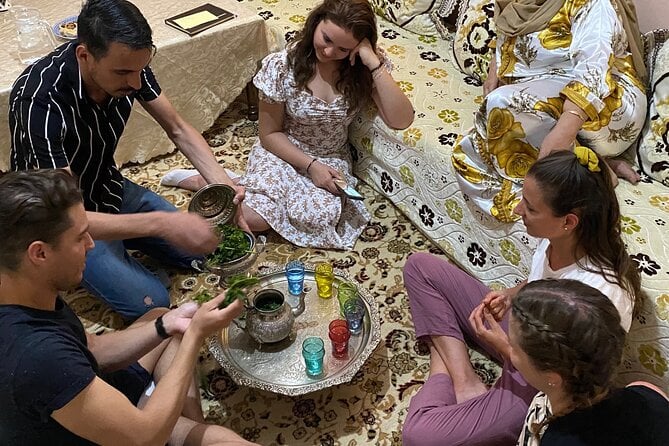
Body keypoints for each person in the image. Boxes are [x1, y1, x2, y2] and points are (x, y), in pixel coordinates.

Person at [8, 0, 245, 320]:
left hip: (104, 184)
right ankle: (121, 254)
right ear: (84, 55)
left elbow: (178, 129)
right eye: (123, 72)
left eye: (139, 70)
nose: (135, 83)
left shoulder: (129, 66)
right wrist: (162, 222)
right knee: (152, 301)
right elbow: (62, 214)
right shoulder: (40, 99)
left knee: (207, 247)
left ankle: (126, 245)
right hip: (57, 221)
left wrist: (225, 187)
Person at [401, 148, 642, 445]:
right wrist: (510, 293)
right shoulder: (558, 239)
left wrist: (507, 350)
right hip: (525, 333)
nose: (517, 209)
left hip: (540, 380)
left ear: (568, 221)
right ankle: (464, 378)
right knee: (420, 267)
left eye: (530, 207)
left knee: (418, 435)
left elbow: (571, 385)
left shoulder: (601, 295)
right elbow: (540, 282)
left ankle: (442, 366)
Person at [0, 169, 256, 446]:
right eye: (79, 238)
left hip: (96, 400)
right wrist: (195, 335)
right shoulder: (39, 354)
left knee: (163, 319)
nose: (91, 244)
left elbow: (93, 350)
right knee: (226, 441)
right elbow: (146, 438)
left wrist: (166, 325)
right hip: (123, 434)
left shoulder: (25, 287)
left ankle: (187, 424)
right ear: (40, 253)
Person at [161, 0, 414, 249]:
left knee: (320, 218)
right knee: (251, 217)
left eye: (343, 49)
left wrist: (373, 62)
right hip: (283, 149)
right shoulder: (283, 66)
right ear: (316, 23)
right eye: (326, 39)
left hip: (331, 157)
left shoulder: (361, 69)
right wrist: (311, 166)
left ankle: (237, 180)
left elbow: (401, 119)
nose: (328, 53)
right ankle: (204, 181)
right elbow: (269, 134)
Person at [451, 0, 647, 223]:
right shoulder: (521, 3)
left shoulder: (593, 3)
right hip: (551, 89)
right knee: (471, 148)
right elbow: (510, 31)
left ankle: (589, 175)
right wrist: (496, 67)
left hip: (606, 101)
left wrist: (565, 130)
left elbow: (593, 69)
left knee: (504, 104)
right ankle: (585, 162)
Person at [508, 279, 669, 446]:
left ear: (553, 377)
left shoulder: (557, 439)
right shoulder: (647, 392)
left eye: (512, 346)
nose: (509, 349)